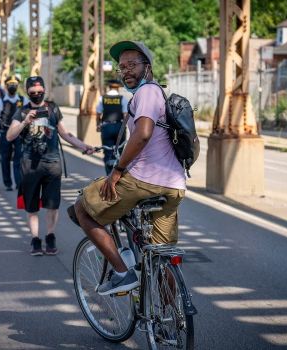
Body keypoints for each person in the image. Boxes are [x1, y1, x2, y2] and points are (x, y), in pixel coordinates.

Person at [72, 41, 187, 295]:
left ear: (148, 67)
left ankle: (123, 273)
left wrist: (117, 171)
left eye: (132, 65)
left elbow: (143, 134)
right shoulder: (158, 93)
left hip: (146, 180)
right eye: (121, 67)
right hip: (174, 185)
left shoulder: (146, 93)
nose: (126, 71)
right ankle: (169, 323)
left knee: (83, 208)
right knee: (160, 253)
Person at [6, 76, 95, 256]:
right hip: (30, 164)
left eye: (40, 92)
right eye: (33, 92)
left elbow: (65, 133)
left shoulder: (53, 108)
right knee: (31, 206)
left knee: (52, 204)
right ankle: (35, 239)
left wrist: (83, 146)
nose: (37, 95)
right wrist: (25, 122)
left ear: (44, 90)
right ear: (27, 92)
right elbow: (9, 136)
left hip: (52, 163)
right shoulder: (21, 112)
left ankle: (50, 236)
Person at [0, 75, 27, 191]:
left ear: (17, 86)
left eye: (15, 85)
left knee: (19, 158)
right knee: (5, 158)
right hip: (5, 132)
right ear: (6, 86)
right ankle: (8, 183)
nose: (12, 87)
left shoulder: (23, 100)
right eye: (10, 85)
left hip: (19, 133)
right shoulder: (0, 101)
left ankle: (19, 182)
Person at [96, 79, 129, 175]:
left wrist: (98, 125)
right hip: (119, 127)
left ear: (109, 87)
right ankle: (118, 175)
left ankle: (108, 175)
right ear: (118, 87)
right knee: (119, 152)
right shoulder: (122, 98)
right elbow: (125, 114)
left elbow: (98, 113)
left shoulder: (102, 98)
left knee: (107, 151)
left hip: (106, 127)